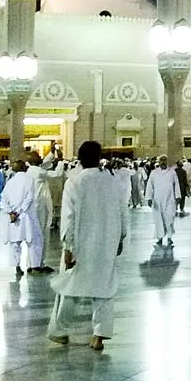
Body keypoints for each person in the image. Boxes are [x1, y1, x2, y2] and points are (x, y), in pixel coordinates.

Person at [47, 141, 125, 352]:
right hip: (106, 242)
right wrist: (121, 238)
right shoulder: (112, 181)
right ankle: (99, 336)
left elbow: (69, 218)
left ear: (80, 159)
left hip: (81, 245)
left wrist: (68, 246)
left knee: (71, 288)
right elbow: (122, 211)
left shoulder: (75, 183)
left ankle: (60, 331)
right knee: (104, 288)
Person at [3, 156, 45, 277]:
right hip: (27, 215)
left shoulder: (10, 182)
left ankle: (17, 266)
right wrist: (19, 211)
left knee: (15, 243)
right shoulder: (29, 179)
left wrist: (11, 212)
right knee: (34, 240)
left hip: (13, 218)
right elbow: (29, 198)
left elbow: (4, 198)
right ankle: (35, 266)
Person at [148, 155, 179, 247]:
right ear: (159, 161)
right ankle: (160, 237)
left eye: (165, 160)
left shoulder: (172, 172)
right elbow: (150, 186)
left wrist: (178, 196)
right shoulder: (154, 173)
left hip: (170, 199)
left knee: (169, 218)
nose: (163, 161)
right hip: (157, 200)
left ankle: (169, 237)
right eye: (161, 160)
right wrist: (149, 198)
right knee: (159, 219)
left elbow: (176, 184)